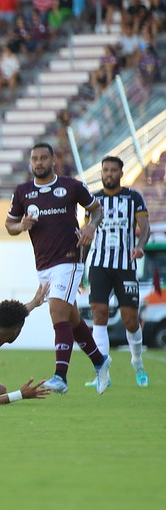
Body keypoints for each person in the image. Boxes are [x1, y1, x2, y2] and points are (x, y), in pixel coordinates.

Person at [5, 142, 111, 395]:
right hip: (43, 264)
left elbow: (97, 210)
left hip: (69, 259)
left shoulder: (71, 186)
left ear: (53, 160)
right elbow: (9, 225)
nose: (38, 162)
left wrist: (90, 227)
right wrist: (21, 226)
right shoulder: (22, 192)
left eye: (43, 158)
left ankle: (60, 377)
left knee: (57, 313)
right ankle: (100, 361)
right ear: (30, 162)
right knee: (72, 319)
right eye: (34, 159)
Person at [85, 156, 150, 388]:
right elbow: (87, 236)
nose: (109, 174)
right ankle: (103, 373)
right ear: (101, 173)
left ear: (121, 173)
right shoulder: (93, 200)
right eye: (105, 170)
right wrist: (82, 267)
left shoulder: (134, 198)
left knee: (130, 320)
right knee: (99, 314)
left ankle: (137, 362)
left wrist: (140, 247)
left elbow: (145, 228)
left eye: (113, 170)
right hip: (99, 265)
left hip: (125, 266)